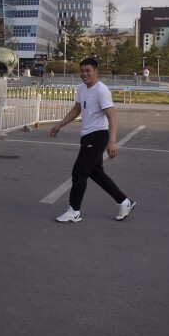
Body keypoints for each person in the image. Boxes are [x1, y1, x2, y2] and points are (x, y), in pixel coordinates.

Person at [49, 57, 137, 223]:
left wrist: (112, 141)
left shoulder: (101, 90)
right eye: (82, 70)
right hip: (87, 135)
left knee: (79, 173)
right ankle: (125, 202)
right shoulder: (82, 88)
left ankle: (74, 211)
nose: (84, 74)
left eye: (88, 70)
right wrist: (60, 124)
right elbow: (77, 109)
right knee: (95, 173)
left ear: (96, 71)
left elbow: (112, 118)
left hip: (98, 135)